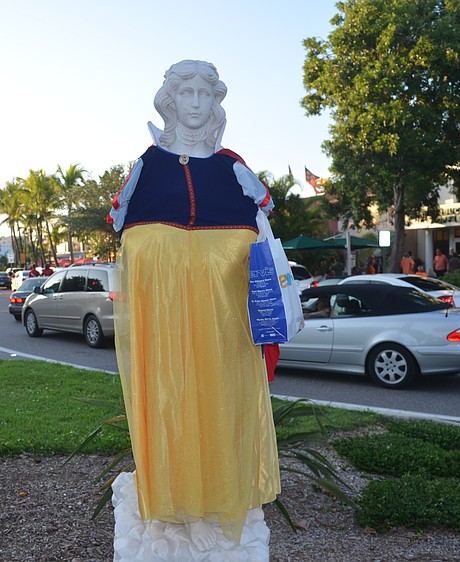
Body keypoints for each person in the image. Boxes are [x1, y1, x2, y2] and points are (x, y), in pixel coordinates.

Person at [107, 60, 280, 548]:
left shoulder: (234, 170)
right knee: (172, 401)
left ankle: (217, 500)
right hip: (165, 323)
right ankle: (179, 502)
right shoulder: (147, 167)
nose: (197, 104)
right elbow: (126, 238)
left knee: (222, 400)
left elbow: (261, 245)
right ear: (171, 101)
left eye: (206, 95)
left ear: (216, 103)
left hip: (225, 326)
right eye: (187, 94)